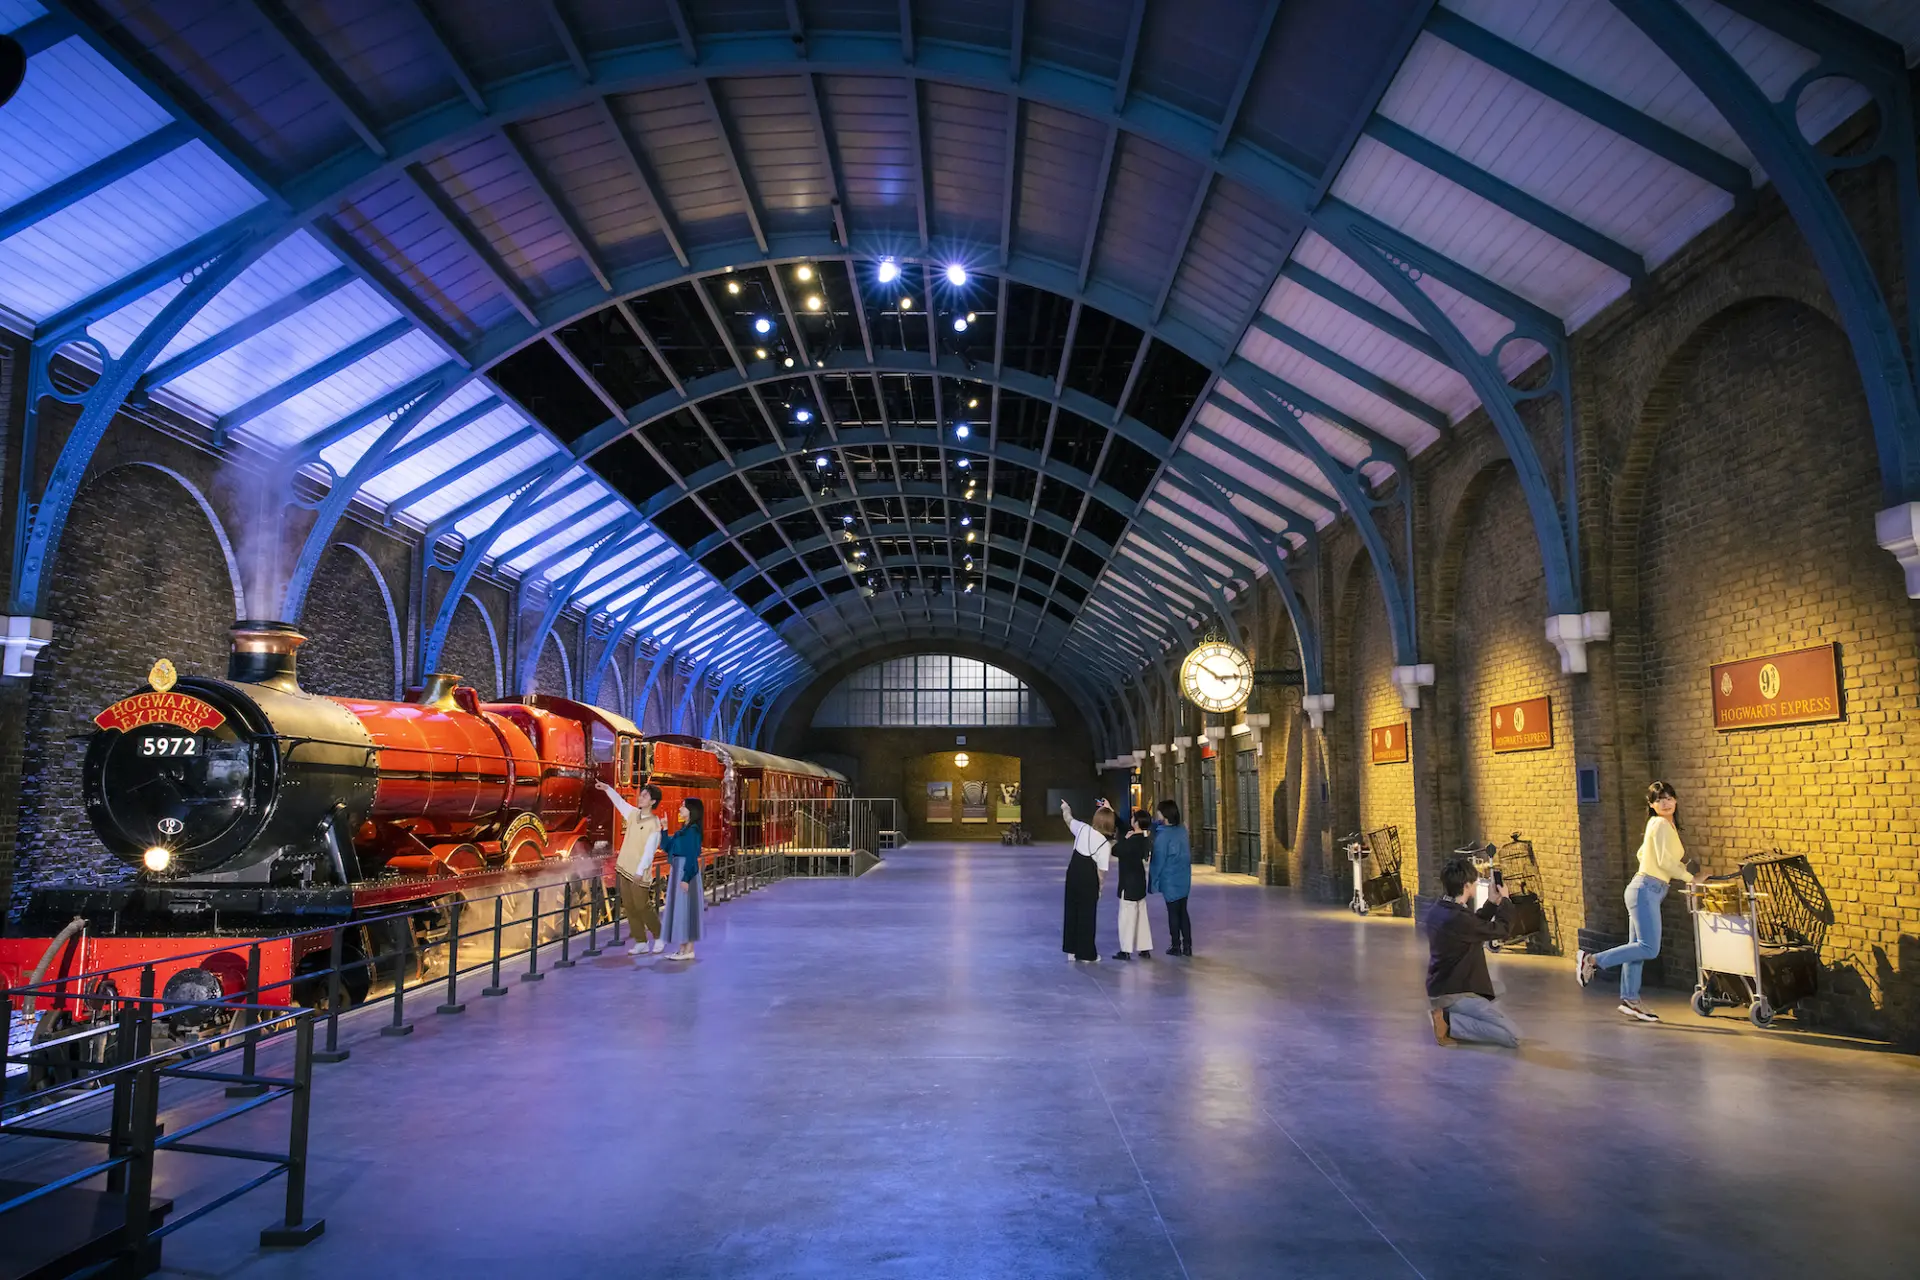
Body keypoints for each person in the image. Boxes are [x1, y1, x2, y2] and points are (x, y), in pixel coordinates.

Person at [1579, 781, 1701, 1022]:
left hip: (1645, 889)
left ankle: (1630, 999)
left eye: (1669, 797)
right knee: (1649, 948)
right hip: (1646, 890)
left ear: (1675, 800)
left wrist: (1681, 871)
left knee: (1637, 950)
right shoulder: (1660, 824)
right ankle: (1591, 960)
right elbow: (1665, 862)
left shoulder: (1662, 825)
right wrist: (1690, 878)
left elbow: (1642, 854)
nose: (1665, 802)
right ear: (1651, 804)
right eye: (1659, 799)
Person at [1425, 855, 1521, 1047]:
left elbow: (1472, 925)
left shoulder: (1442, 908)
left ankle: (1452, 1014)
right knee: (1513, 1037)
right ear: (1467, 885)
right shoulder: (1458, 918)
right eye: (1475, 883)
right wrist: (1506, 901)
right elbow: (1502, 930)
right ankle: (1449, 1022)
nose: (1476, 886)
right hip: (1455, 992)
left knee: (1497, 988)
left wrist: (1492, 903)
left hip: (1442, 985)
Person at [598, 780, 665, 956]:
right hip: (624, 867)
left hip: (638, 872)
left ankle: (659, 935)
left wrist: (639, 871)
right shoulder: (633, 814)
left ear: (652, 801)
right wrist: (608, 789)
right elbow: (620, 803)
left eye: (645, 795)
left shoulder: (654, 824)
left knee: (642, 905)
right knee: (628, 905)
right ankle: (641, 941)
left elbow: (650, 851)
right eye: (641, 794)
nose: (640, 797)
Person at [1059, 799, 1114, 963]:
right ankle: (1086, 953)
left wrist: (1066, 808)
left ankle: (1071, 949)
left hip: (1073, 872)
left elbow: (1068, 819)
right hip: (1089, 878)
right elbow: (1101, 872)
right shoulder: (1105, 845)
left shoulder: (1082, 829)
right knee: (1087, 915)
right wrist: (1099, 889)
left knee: (1071, 909)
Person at [659, 797, 706, 961]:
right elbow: (667, 847)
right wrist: (664, 829)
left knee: (686, 908)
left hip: (686, 871)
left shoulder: (692, 831)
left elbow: (692, 855)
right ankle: (682, 949)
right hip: (678, 869)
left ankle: (688, 949)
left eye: (683, 807)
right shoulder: (683, 831)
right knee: (681, 908)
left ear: (692, 811)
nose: (680, 809)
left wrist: (686, 878)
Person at [1149, 800, 1193, 957]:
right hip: (1184, 877)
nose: (1157, 814)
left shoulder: (1163, 837)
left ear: (1164, 815)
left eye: (1159, 811)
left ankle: (1176, 945)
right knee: (1183, 911)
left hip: (1170, 879)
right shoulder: (1182, 830)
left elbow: (1158, 862)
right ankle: (1187, 946)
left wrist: (1153, 882)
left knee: (1173, 913)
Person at [1112, 810, 1155, 960]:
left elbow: (1115, 850)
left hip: (1127, 884)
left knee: (1126, 917)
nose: (1130, 820)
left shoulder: (1130, 841)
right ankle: (1144, 948)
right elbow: (1122, 825)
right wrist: (1112, 811)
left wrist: (1124, 839)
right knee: (1142, 916)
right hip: (1140, 883)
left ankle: (1125, 950)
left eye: (1132, 818)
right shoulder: (1144, 839)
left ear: (1136, 823)